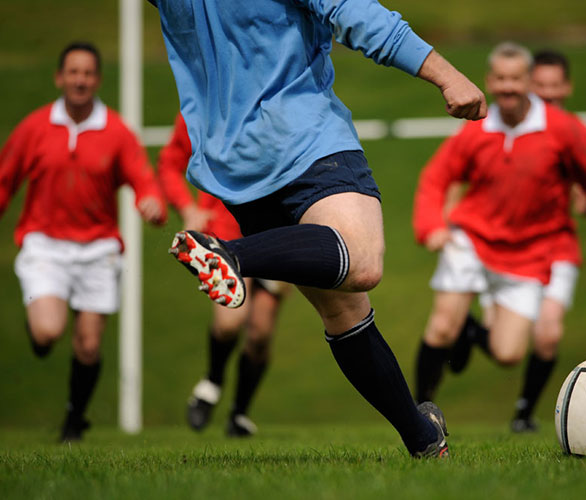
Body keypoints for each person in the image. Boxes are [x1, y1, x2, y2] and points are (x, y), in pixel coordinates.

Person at [150, 0, 487, 458]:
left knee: (345, 312)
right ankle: (230, 256)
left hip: (234, 170)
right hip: (302, 141)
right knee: (362, 260)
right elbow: (357, 14)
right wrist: (447, 75)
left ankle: (426, 440)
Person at [412, 42, 586, 432]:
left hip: (529, 254)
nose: (508, 87)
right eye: (500, 78)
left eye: (515, 78)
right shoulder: (476, 127)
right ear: (488, 81)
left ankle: (473, 332)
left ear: (529, 81)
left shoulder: (563, 130)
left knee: (508, 353)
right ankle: (417, 417)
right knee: (442, 325)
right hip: (473, 240)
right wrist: (431, 226)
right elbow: (437, 177)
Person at [0, 42, 166, 441]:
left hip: (98, 249)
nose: (81, 80)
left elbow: (144, 180)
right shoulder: (36, 127)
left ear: (98, 80)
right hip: (46, 245)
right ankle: (39, 327)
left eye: (88, 73)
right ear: (60, 78)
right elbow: (5, 180)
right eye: (73, 72)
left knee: (89, 346)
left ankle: (75, 421)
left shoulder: (115, 131)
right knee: (47, 332)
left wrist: (153, 203)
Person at [158, 113, 291, 437]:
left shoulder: (279, 101)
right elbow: (169, 163)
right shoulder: (200, 108)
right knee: (230, 321)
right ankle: (213, 381)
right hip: (227, 233)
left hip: (277, 229)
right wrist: (187, 208)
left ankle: (239, 414)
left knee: (260, 333)